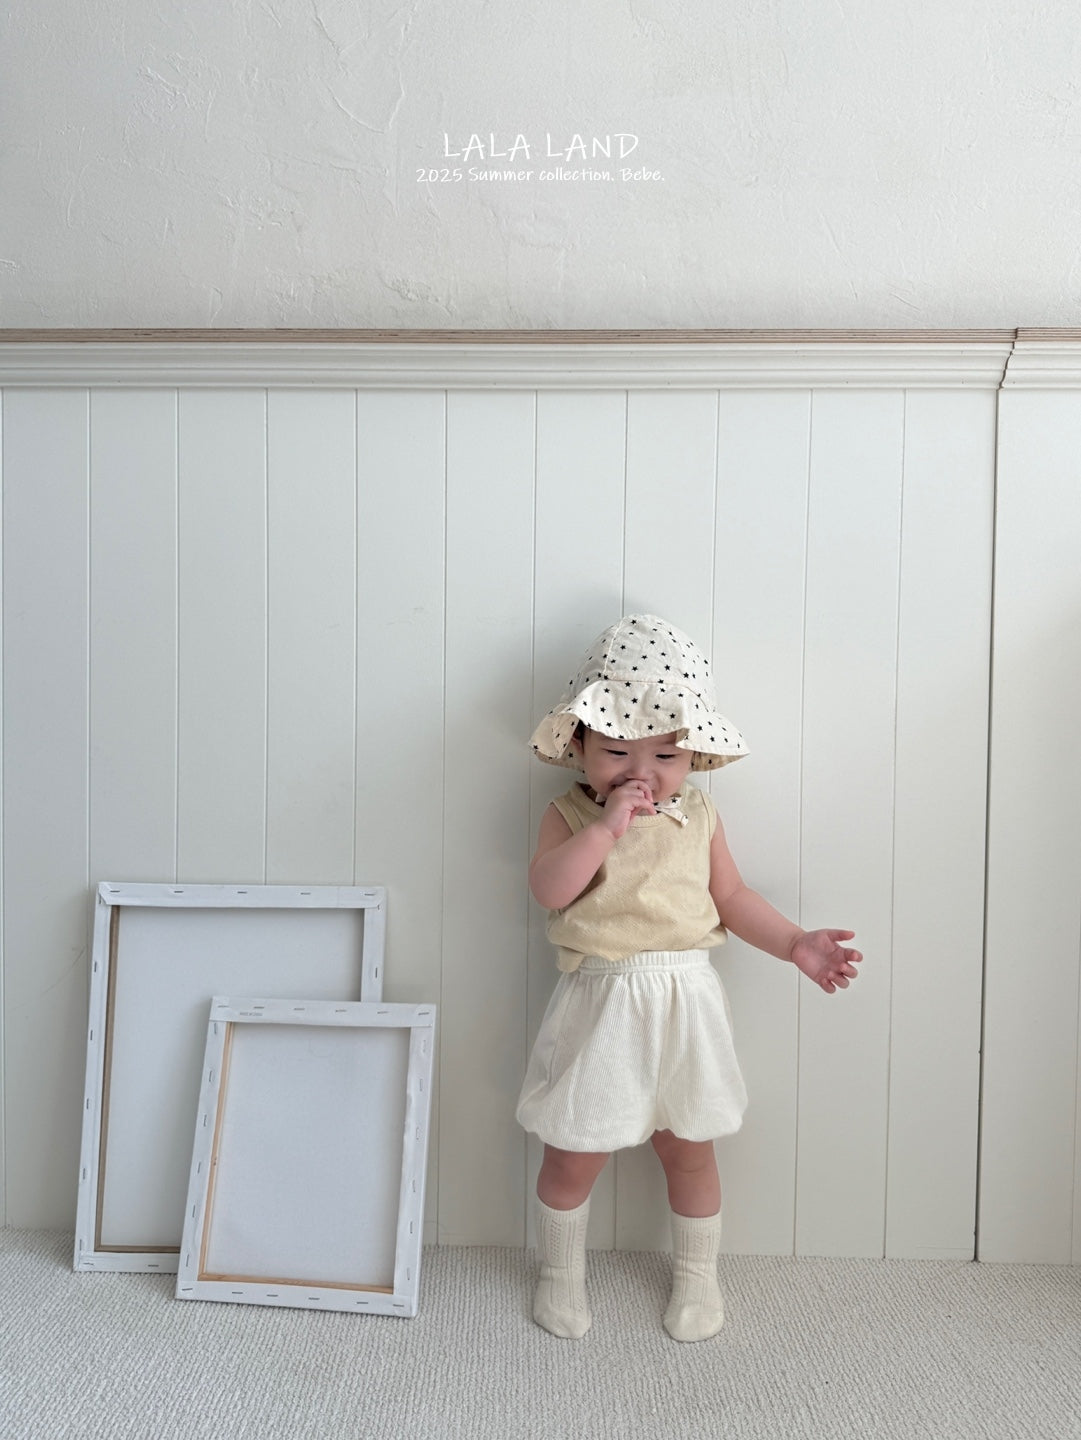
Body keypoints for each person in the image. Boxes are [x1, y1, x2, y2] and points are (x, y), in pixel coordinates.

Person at [517, 614, 861, 1342]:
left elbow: (730, 897)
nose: (639, 772)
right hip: (603, 996)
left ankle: (698, 1276)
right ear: (578, 745)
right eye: (616, 749)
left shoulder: (699, 814)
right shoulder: (567, 813)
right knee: (574, 1149)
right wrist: (604, 830)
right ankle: (559, 1273)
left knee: (689, 1148)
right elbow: (549, 890)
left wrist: (795, 943)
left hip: (685, 997)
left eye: (665, 755)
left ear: (694, 756)